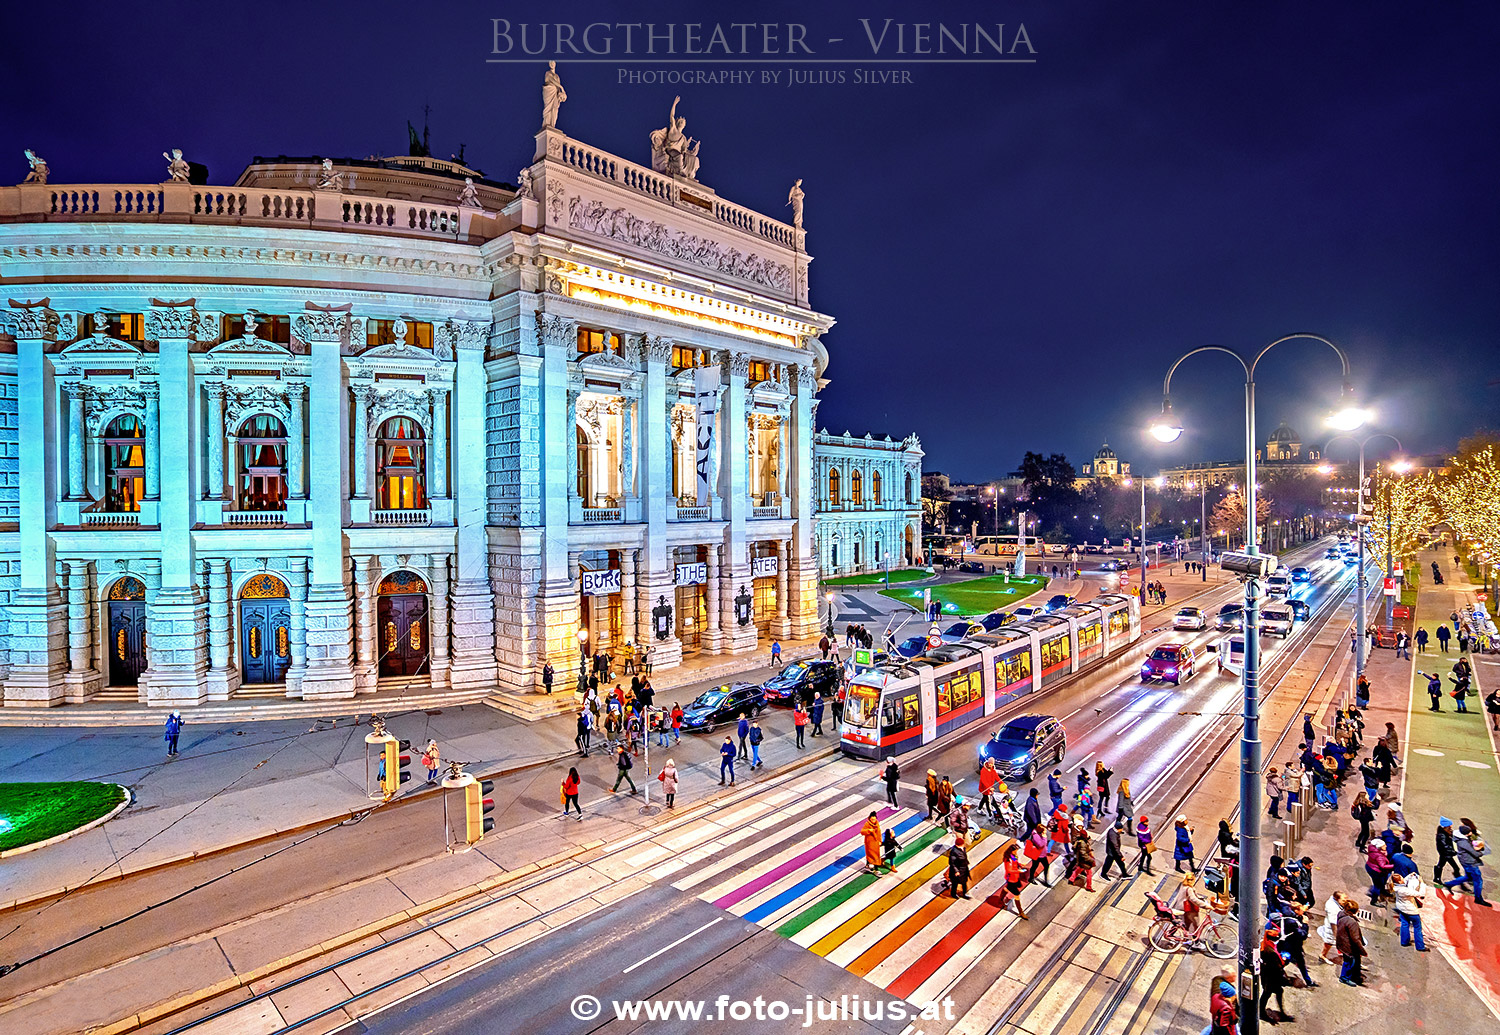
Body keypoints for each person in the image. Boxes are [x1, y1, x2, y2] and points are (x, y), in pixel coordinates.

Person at [1444, 828, 1492, 905]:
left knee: (1468, 877)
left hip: (1465, 861)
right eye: (1469, 832)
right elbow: (1476, 854)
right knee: (1478, 880)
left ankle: (1449, 884)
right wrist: (1482, 849)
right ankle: (1478, 898)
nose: (1471, 832)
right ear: (1466, 834)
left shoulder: (1461, 838)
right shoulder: (1463, 842)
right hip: (1470, 863)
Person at [1259, 922, 1293, 1024]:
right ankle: (1262, 1013)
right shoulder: (1271, 951)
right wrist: (1285, 961)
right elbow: (1277, 966)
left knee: (1271, 993)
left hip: (1266, 975)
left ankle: (1277, 1012)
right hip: (1271, 977)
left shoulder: (1265, 944)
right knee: (1267, 993)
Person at [1335, 895, 1367, 986]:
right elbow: (1355, 939)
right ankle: (1345, 978)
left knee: (1347, 960)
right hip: (1349, 946)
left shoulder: (1341, 914)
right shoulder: (1352, 922)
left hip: (1342, 943)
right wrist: (1362, 951)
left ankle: (1346, 976)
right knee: (1349, 962)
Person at [1393, 870, 1428, 951]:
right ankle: (1420, 946)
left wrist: (1409, 876)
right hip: (1411, 911)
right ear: (1399, 880)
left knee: (1404, 924)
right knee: (1417, 927)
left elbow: (1403, 881)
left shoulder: (1396, 887)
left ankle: (1404, 941)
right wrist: (1422, 883)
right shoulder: (1405, 891)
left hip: (1401, 909)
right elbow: (1421, 894)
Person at [998, 843, 1031, 918]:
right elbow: (1009, 870)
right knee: (1017, 895)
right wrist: (1018, 871)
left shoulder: (1013, 857)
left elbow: (1015, 863)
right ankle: (1021, 912)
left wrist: (1020, 865)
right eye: (1015, 851)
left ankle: (1000, 900)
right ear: (1011, 851)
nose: (1016, 852)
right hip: (1011, 878)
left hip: (1015, 877)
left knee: (1007, 888)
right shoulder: (1008, 860)